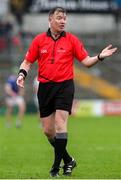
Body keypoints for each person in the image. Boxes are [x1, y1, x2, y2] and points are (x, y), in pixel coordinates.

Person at [16, 7, 117, 177]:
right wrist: (21, 75)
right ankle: (69, 159)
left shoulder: (72, 40)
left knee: (60, 124)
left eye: (65, 18)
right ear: (50, 19)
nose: (63, 21)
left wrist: (99, 56)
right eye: (59, 18)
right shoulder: (39, 40)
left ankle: (57, 166)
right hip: (45, 87)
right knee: (48, 131)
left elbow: (86, 62)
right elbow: (27, 62)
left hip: (65, 86)